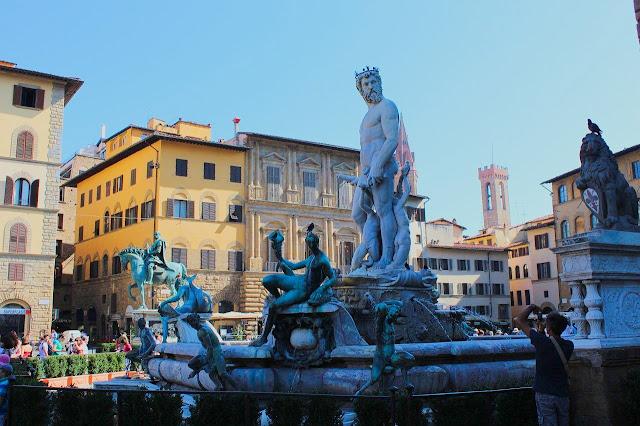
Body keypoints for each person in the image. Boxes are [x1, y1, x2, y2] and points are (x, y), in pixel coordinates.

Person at [515, 304, 574, 426]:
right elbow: (552, 346)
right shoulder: (569, 345)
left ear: (549, 328)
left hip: (545, 393)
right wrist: (542, 332)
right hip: (563, 393)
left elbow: (519, 320)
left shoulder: (542, 342)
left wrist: (531, 307)